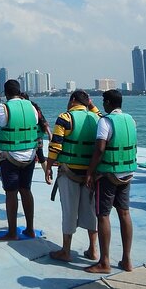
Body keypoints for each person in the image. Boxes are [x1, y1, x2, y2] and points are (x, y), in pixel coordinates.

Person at [85, 89, 137, 274]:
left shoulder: (105, 121)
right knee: (124, 213)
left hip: (108, 175)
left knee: (103, 215)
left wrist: (90, 172)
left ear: (107, 102)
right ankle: (127, 260)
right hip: (128, 173)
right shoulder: (130, 120)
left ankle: (104, 262)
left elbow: (99, 149)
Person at [45, 89, 100, 262]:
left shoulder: (65, 118)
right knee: (90, 211)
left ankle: (66, 250)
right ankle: (93, 249)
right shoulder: (97, 118)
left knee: (69, 210)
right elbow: (102, 116)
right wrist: (91, 106)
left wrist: (48, 166)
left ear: (72, 100)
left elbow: (56, 146)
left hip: (69, 171)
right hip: (90, 173)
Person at [0, 79, 38, 240]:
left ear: (5, 93)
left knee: (11, 193)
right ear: (19, 91)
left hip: (11, 157)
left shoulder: (2, 108)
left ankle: (12, 232)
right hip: (30, 156)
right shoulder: (32, 107)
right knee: (26, 190)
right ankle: (30, 229)